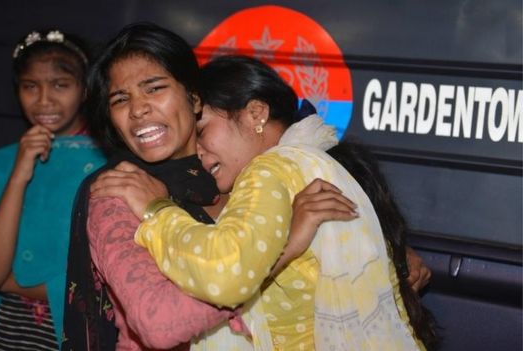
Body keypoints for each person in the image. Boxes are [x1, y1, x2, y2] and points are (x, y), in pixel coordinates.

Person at [95, 55, 438, 350]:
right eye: (121, 99)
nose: (196, 150)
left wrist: (157, 209)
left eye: (201, 131)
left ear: (255, 113)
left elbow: (227, 270)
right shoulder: (321, 159)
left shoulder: (269, 170)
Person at [61, 22, 359, 351]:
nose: (138, 108)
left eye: (154, 88)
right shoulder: (118, 193)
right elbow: (158, 323)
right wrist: (283, 249)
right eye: (120, 99)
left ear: (193, 97)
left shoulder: (239, 179)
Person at [0, 29, 106, 351]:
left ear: (85, 90)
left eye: (60, 85)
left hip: (73, 336)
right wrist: (19, 174)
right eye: (30, 87)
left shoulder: (108, 164)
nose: (44, 100)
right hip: (7, 334)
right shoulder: (2, 162)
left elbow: (102, 281)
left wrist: (18, 280)